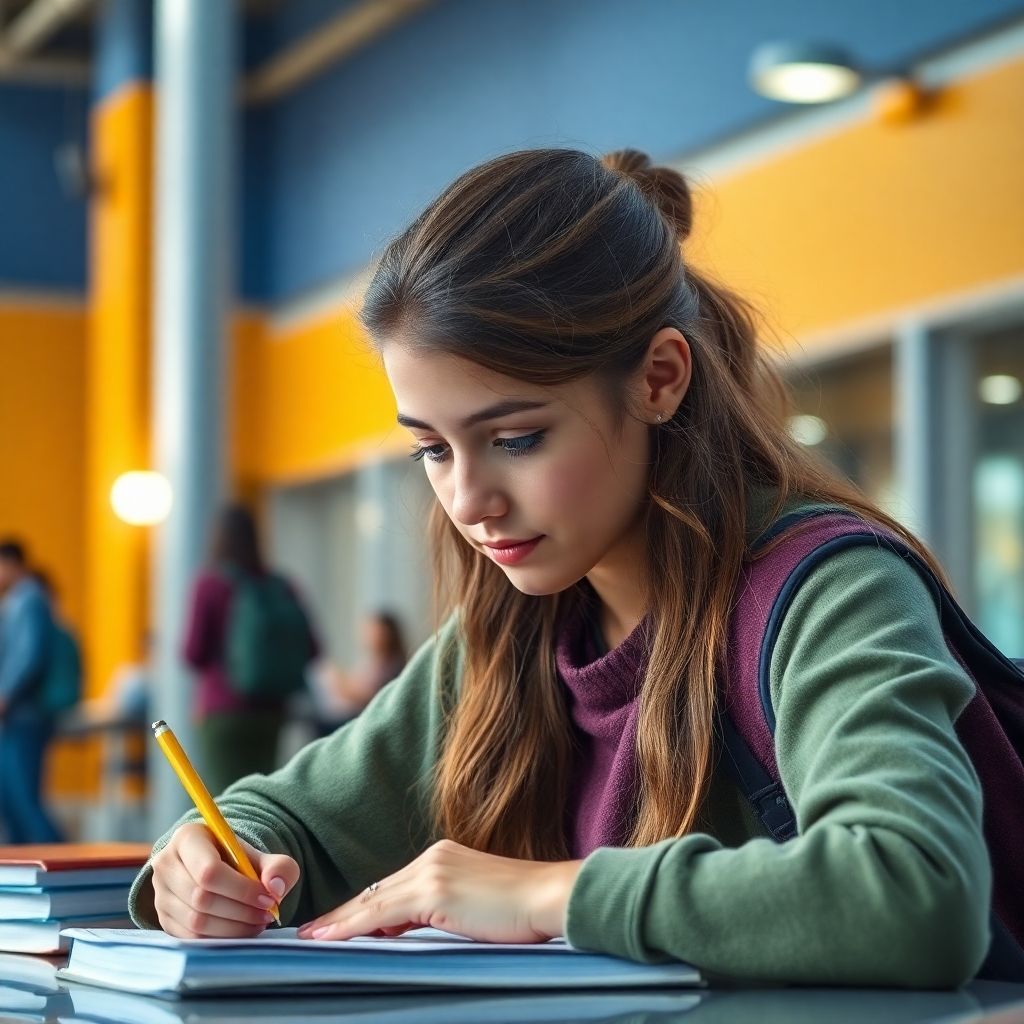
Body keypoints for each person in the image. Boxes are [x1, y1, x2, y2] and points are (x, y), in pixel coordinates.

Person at [130, 149, 993, 986]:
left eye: (515, 439)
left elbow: (917, 889)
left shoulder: (825, 591)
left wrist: (547, 892)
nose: (468, 500)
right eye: (431, 449)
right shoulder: (511, 632)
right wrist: (209, 865)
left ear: (659, 378)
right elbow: (290, 822)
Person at [181, 504, 319, 795]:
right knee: (261, 799)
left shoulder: (210, 584)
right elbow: (313, 648)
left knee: (224, 805)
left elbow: (192, 652)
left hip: (222, 712)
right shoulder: (280, 585)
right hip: (271, 712)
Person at [0, 541, 63, 842]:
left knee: (24, 801)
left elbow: (28, 654)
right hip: (18, 715)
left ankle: (64, 865)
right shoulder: (18, 600)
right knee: (13, 801)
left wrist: (5, 693)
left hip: (25, 714)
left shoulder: (28, 599)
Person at [312, 611, 408, 732]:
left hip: (366, 720)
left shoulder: (392, 665)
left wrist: (338, 682)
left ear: (386, 633)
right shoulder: (374, 662)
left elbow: (367, 696)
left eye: (372, 630)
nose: (366, 635)